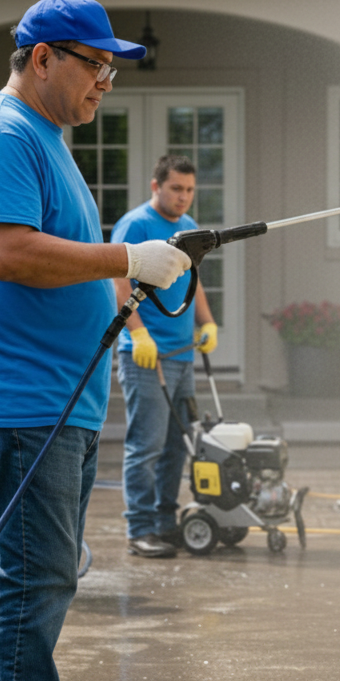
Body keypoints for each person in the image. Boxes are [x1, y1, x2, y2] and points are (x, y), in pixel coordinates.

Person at [0, 0, 191, 681]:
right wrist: (126, 258)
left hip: (55, 398)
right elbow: (10, 252)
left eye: (112, 69)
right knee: (39, 575)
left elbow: (58, 256)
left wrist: (127, 280)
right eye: (95, 64)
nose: (106, 81)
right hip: (21, 398)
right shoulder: (5, 133)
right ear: (43, 57)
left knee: (26, 572)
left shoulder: (43, 135)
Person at [111, 156, 218, 558]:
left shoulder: (189, 228)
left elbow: (194, 281)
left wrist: (207, 324)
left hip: (181, 354)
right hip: (147, 357)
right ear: (156, 186)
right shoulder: (136, 225)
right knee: (147, 445)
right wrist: (137, 333)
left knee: (178, 443)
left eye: (189, 190)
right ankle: (139, 529)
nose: (183, 197)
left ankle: (164, 523)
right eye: (176, 189)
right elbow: (117, 278)